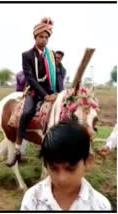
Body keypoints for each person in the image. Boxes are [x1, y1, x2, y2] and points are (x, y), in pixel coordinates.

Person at [21, 120, 111, 210]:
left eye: (71, 169)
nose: (62, 179)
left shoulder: (101, 206)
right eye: (54, 168)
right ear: (46, 164)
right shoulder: (32, 200)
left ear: (88, 161)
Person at [7, 17, 61, 166]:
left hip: (50, 90)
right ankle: (18, 150)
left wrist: (58, 93)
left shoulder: (51, 55)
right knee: (26, 113)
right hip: (34, 91)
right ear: (35, 37)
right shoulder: (27, 55)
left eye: (46, 37)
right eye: (41, 37)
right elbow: (30, 78)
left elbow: (56, 76)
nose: (44, 40)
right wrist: (45, 96)